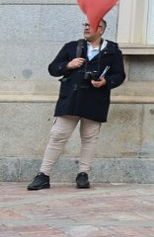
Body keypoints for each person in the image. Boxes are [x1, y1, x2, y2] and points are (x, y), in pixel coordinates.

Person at [30, 18, 125, 190]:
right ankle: (43, 175)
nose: (87, 28)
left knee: (89, 139)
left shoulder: (112, 51)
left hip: (96, 100)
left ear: (101, 30)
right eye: (85, 25)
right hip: (71, 99)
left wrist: (106, 81)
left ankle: (83, 174)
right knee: (58, 136)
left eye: (91, 25)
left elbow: (120, 75)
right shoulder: (71, 47)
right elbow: (52, 68)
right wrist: (68, 64)